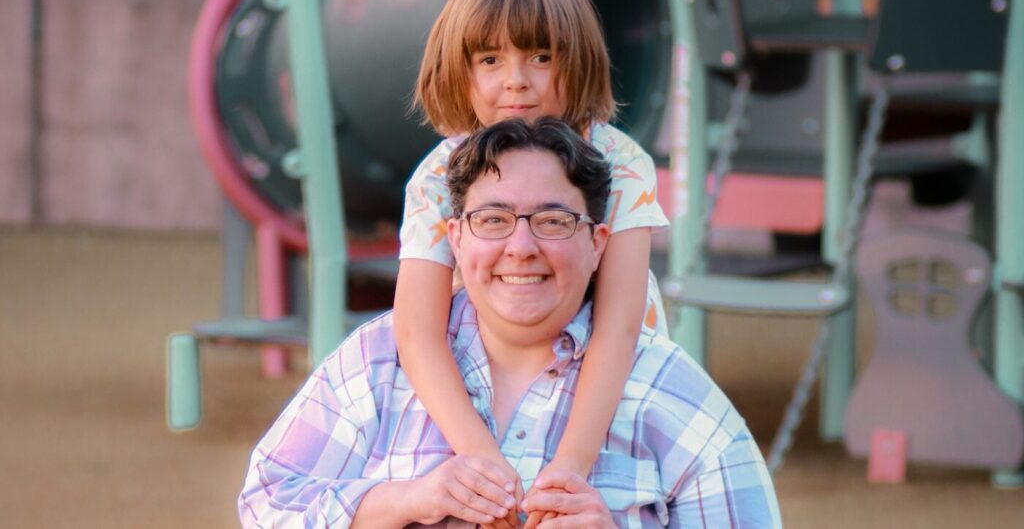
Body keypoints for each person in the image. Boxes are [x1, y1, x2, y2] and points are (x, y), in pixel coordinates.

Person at [239, 118, 781, 528]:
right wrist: (405, 500)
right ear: (455, 239)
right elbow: (266, 503)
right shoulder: (376, 365)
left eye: (552, 221)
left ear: (597, 246)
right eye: (493, 220)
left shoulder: (672, 396)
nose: (520, 248)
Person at [395, 0, 670, 521]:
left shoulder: (622, 163)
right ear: (461, 69)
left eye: (541, 57)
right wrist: (482, 461)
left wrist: (569, 467)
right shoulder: (437, 176)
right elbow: (416, 331)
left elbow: (618, 328)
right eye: (491, 58)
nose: (516, 80)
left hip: (602, 387)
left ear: (578, 61)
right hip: (483, 385)